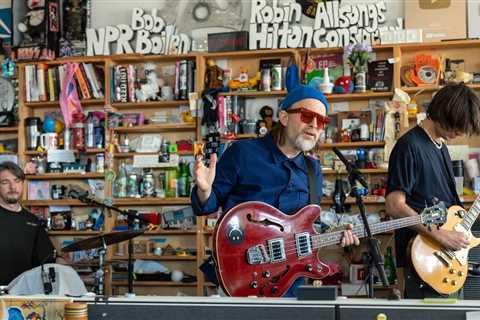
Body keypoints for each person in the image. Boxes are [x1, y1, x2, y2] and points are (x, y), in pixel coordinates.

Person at [191, 85, 360, 296]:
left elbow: (308, 228)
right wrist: (205, 190)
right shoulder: (243, 152)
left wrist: (336, 237)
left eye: (322, 121)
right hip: (240, 278)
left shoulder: (312, 169)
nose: (314, 126)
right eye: (307, 116)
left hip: (289, 284)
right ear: (283, 117)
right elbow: (206, 205)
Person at [385, 83, 480, 298]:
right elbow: (394, 205)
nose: (460, 132)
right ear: (442, 112)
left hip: (445, 261)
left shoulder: (441, 146)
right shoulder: (409, 146)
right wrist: (439, 236)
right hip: (422, 259)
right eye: (456, 126)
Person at [0, 161, 55, 285]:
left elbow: (46, 258)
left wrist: (63, 263)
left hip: (24, 293)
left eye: (17, 181)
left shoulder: (32, 221)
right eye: (5, 182)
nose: (12, 187)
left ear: (23, 184)